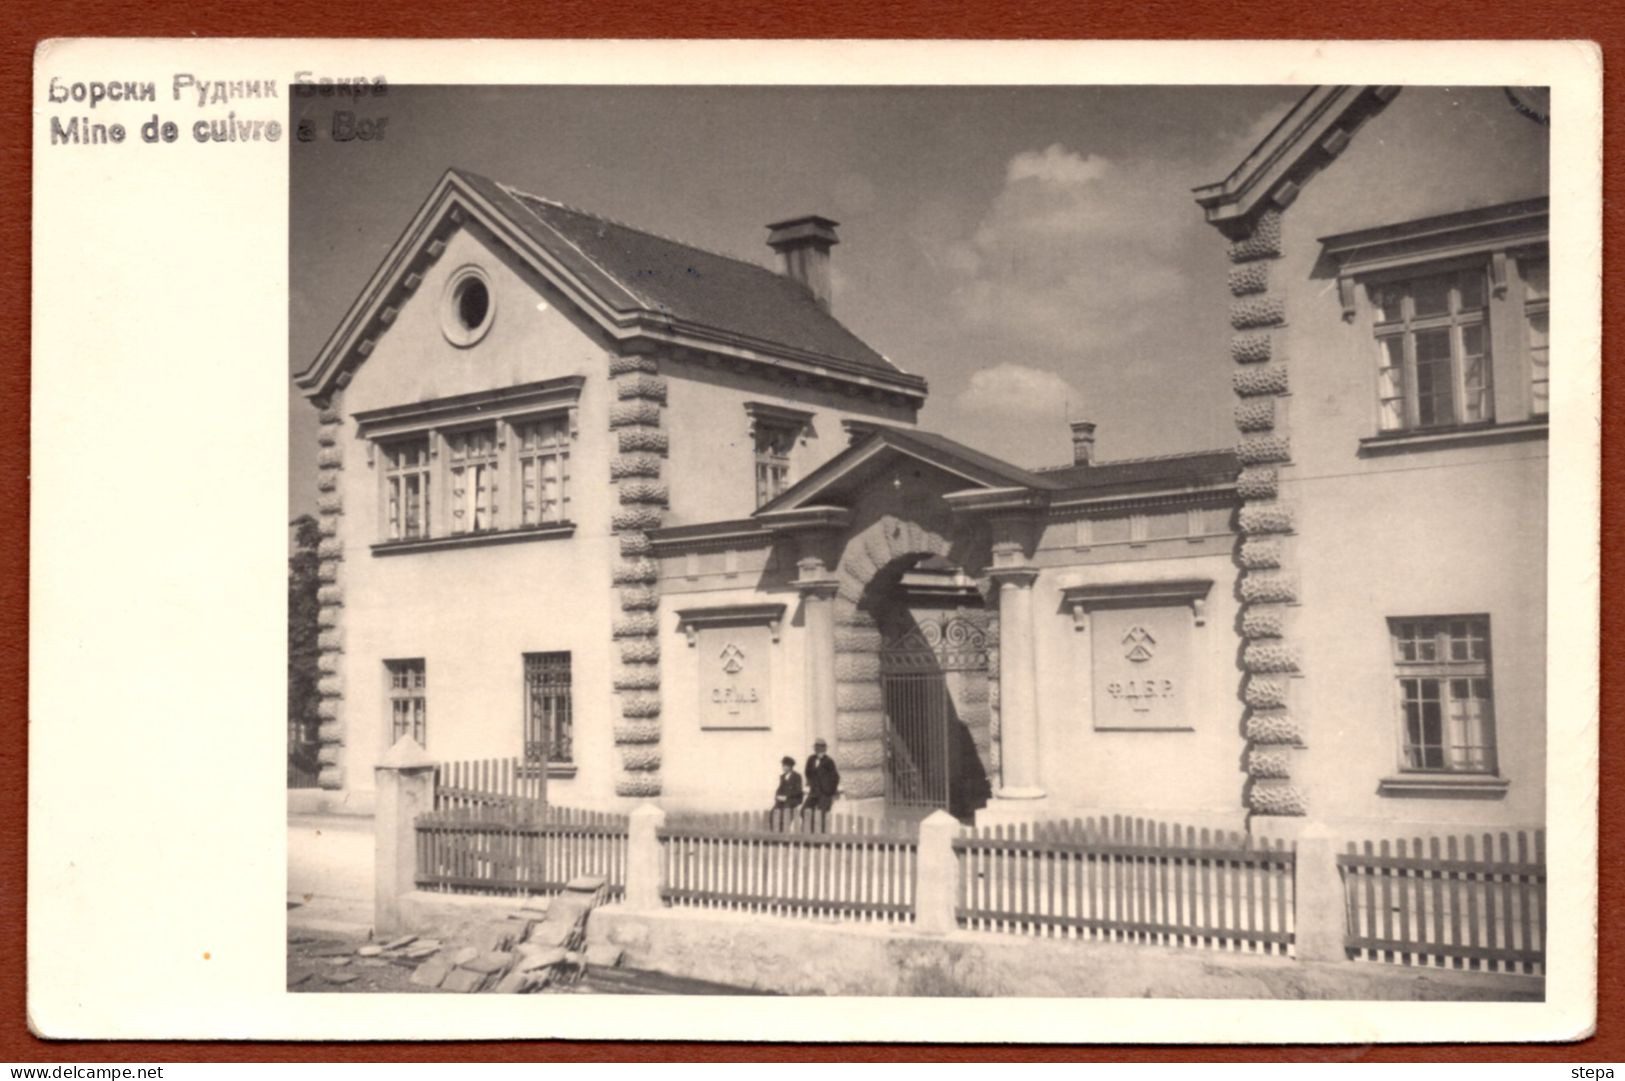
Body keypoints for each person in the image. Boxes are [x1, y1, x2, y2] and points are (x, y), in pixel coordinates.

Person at [803, 738, 840, 829]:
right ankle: (810, 833)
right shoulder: (811, 759)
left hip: (825, 794)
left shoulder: (829, 761)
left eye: (821, 748)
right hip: (814, 792)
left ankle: (821, 838)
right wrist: (810, 783)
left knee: (821, 815)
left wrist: (830, 791)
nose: (819, 750)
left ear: (824, 749)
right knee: (804, 811)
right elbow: (807, 772)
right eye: (817, 748)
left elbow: (835, 777)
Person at [771, 755, 803, 830]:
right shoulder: (782, 776)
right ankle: (775, 832)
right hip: (783, 800)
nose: (784, 767)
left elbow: (798, 791)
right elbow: (779, 789)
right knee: (773, 811)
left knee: (786, 811)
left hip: (793, 800)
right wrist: (777, 796)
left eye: (786, 766)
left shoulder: (797, 776)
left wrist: (786, 797)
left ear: (791, 767)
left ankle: (783, 831)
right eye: (783, 765)